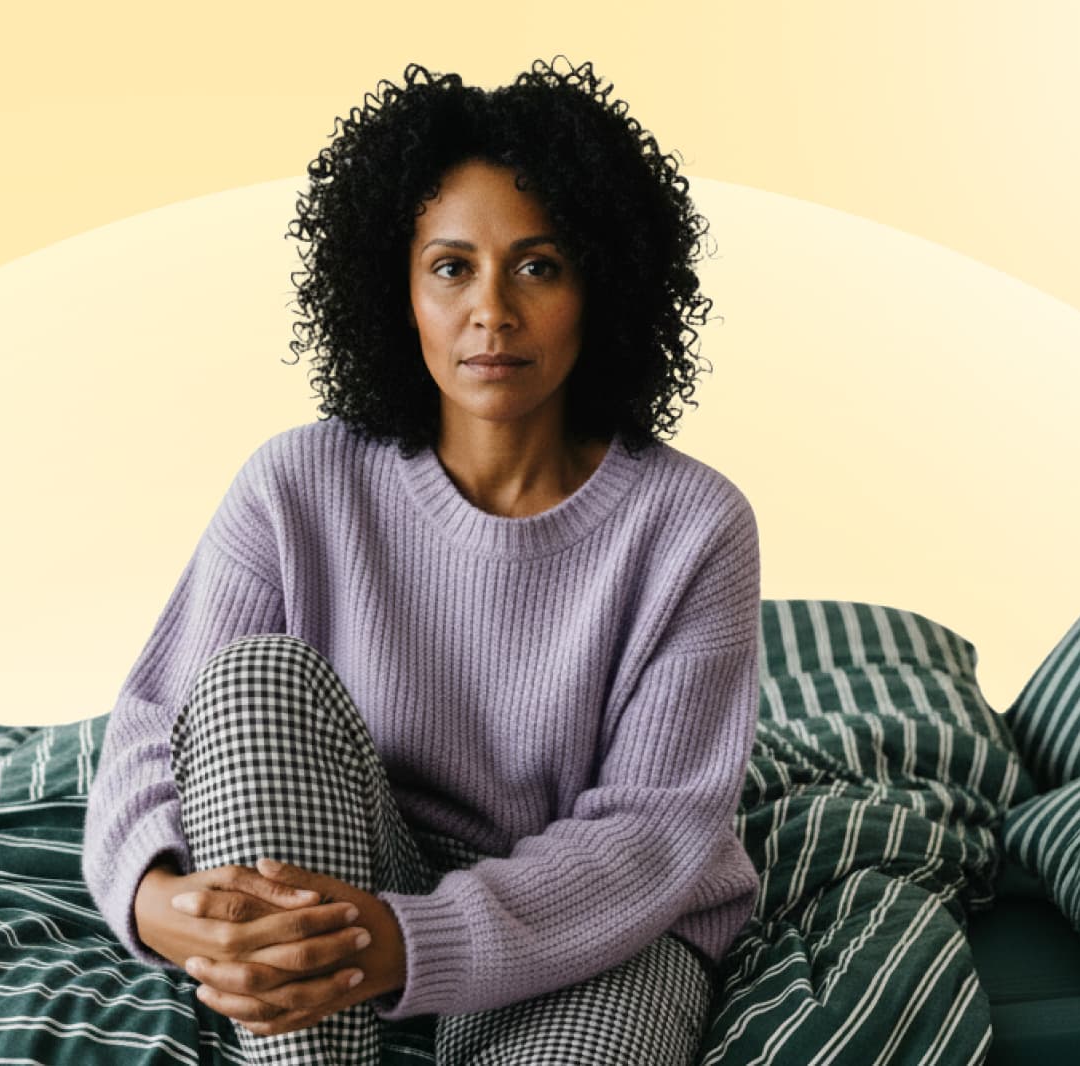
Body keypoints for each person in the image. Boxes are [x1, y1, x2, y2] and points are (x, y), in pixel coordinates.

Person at [82, 56, 762, 1065]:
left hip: (600, 928)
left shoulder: (692, 522)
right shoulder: (296, 484)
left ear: (602, 286)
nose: (493, 309)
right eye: (451, 266)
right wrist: (157, 896)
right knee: (249, 678)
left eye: (540, 265)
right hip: (355, 874)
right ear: (395, 290)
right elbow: (153, 719)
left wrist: (407, 942)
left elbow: (651, 835)